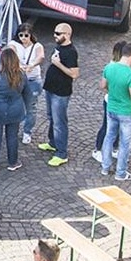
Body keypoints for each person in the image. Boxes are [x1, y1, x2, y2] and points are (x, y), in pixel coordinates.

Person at [97, 42, 131, 181]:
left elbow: (102, 85)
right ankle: (121, 173)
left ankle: (105, 167)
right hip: (126, 112)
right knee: (125, 144)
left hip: (111, 108)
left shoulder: (109, 67)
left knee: (109, 137)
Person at [39, 23, 78, 166]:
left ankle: (61, 153)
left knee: (59, 122)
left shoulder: (71, 52)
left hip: (61, 92)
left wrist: (58, 64)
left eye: (58, 33)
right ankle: (53, 142)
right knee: (51, 118)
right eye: (54, 33)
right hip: (51, 88)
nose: (55, 36)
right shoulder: (59, 46)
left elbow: (74, 74)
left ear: (67, 35)